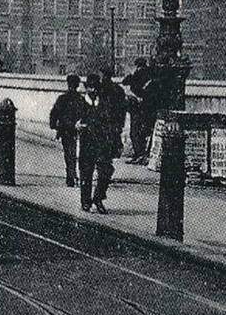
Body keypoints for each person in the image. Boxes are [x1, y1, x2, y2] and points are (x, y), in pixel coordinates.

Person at [77, 73, 122, 213]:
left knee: (106, 171)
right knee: (86, 173)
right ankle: (86, 201)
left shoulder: (105, 104)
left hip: (103, 143)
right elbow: (68, 119)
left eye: (95, 88)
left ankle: (98, 198)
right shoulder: (79, 103)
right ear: (86, 89)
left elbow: (113, 121)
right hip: (87, 143)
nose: (93, 91)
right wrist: (75, 125)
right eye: (90, 88)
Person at [49, 74, 88, 187]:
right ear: (77, 85)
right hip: (77, 129)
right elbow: (85, 114)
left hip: (65, 129)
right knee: (75, 153)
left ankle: (70, 176)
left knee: (69, 153)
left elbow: (54, 113)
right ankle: (73, 175)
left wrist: (54, 126)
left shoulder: (62, 98)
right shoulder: (80, 99)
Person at [121, 58, 155, 164]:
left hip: (137, 108)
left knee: (135, 132)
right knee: (142, 132)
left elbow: (125, 81)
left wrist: (131, 73)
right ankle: (142, 155)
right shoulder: (150, 76)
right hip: (147, 109)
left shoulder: (137, 74)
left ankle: (139, 154)